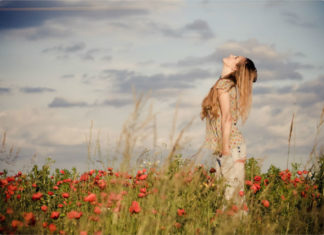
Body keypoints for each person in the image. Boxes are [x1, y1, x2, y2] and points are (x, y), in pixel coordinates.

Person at [200, 54, 257, 213]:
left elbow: (227, 118)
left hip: (230, 148)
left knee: (232, 200)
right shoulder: (223, 83)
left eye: (236, 57)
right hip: (227, 148)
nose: (232, 55)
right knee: (227, 198)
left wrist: (225, 149)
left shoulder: (225, 85)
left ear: (236, 67)